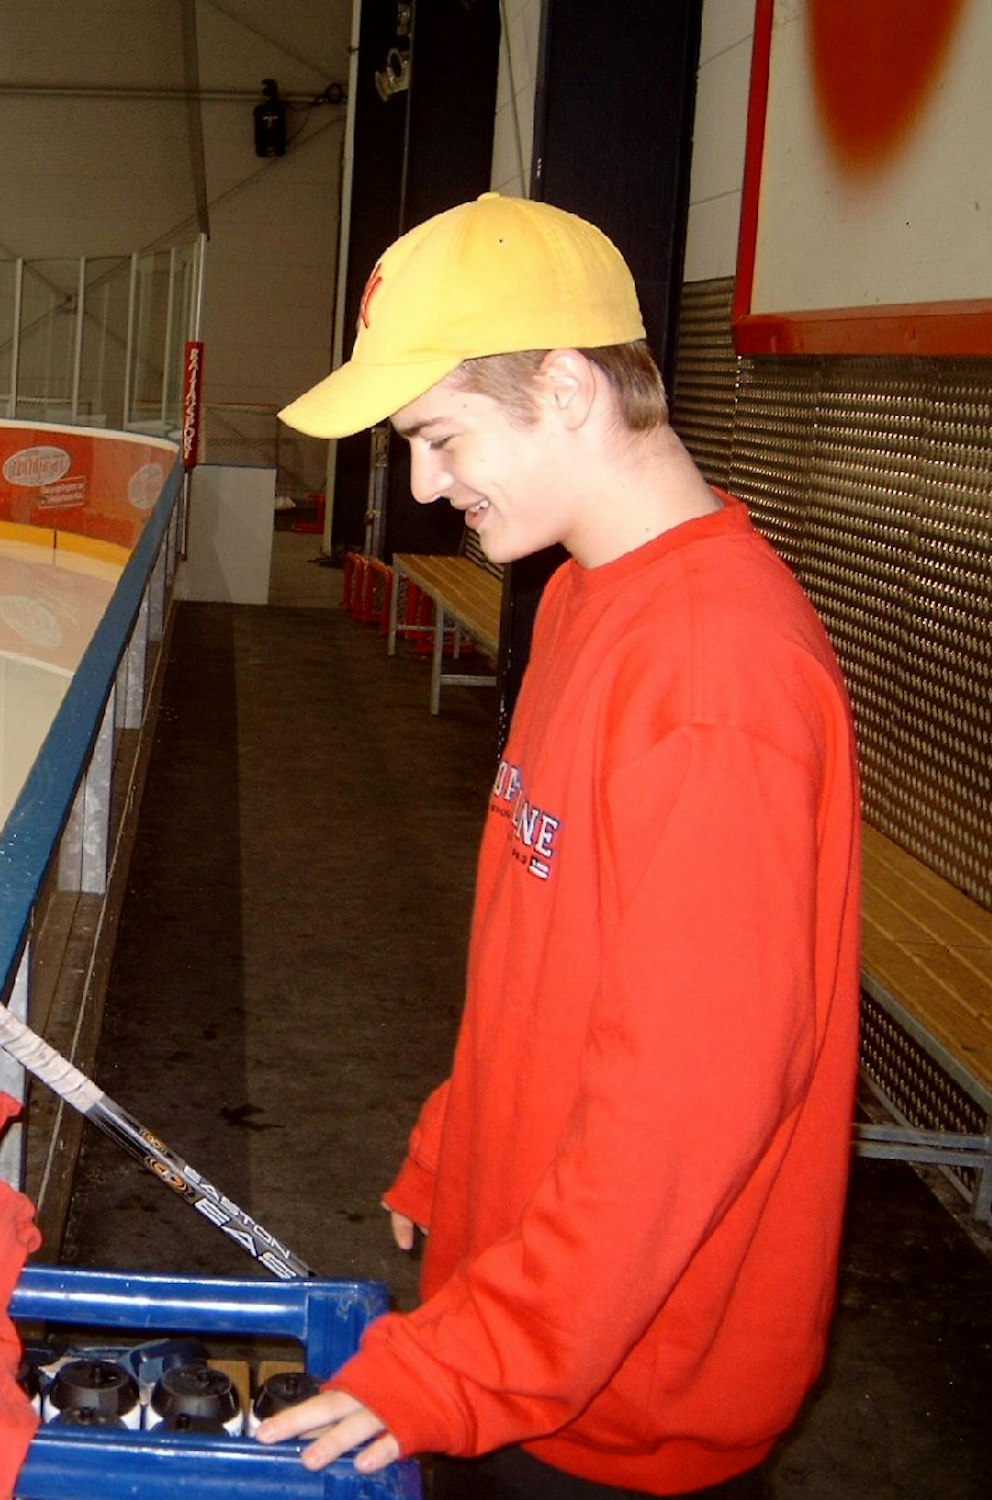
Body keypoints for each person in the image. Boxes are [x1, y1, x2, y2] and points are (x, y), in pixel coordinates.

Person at [258, 193, 861, 1497]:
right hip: (528, 1343)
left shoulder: (710, 676)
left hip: (617, 1403)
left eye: (439, 437)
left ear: (566, 388)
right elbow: (549, 962)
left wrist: (464, 1366)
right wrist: (459, 1145)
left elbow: (689, 1106)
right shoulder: (587, 599)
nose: (425, 485)